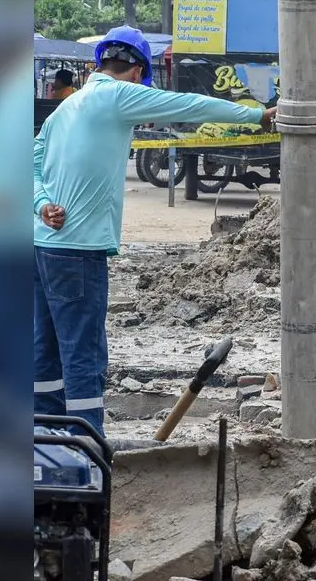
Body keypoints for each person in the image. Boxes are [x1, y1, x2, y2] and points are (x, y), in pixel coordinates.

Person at [33, 26, 276, 437]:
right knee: (83, 355)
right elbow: (187, 105)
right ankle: (85, 448)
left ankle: (44, 437)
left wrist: (40, 205)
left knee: (44, 350)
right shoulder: (116, 95)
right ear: (136, 72)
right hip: (78, 251)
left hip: (41, 247)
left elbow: (32, 163)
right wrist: (255, 114)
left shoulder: (66, 109)